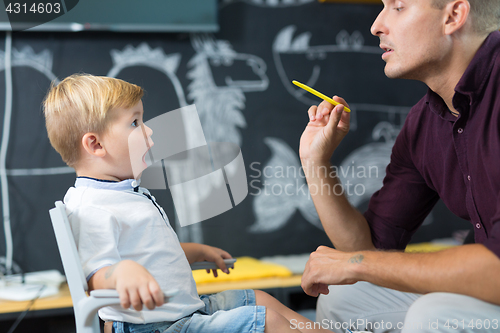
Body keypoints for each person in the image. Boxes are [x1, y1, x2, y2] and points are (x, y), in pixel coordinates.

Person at [44, 74, 332, 333]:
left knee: (260, 299)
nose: (149, 131)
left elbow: (150, 251)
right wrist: (119, 274)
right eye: (134, 123)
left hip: (181, 314)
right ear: (95, 145)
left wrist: (195, 252)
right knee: (268, 322)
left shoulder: (122, 193)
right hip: (157, 327)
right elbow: (95, 275)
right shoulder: (92, 206)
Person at [298, 0, 500, 332]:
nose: (376, 25)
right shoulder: (424, 121)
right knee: (344, 299)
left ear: (453, 16)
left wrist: (358, 263)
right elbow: (369, 249)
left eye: (398, 7)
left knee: (433, 315)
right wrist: (316, 161)